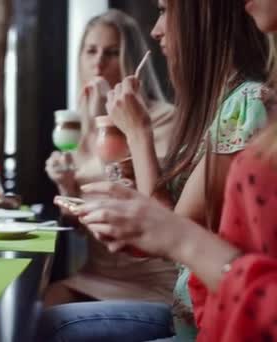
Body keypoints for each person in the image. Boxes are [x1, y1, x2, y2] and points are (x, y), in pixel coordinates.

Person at [40, 0, 270, 340]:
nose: (155, 29)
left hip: (191, 312)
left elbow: (173, 225)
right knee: (40, 318)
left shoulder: (244, 104)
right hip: (182, 306)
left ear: (201, 19)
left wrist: (137, 132)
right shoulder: (219, 105)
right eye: (90, 51)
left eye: (163, 10)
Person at [44, 9, 177, 307]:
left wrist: (110, 117)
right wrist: (66, 187)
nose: (98, 62)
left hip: (150, 281)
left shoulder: (163, 119)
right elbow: (80, 227)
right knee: (35, 308)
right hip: (95, 274)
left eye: (111, 52)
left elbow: (150, 203)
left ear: (131, 60)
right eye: (91, 51)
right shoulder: (81, 126)